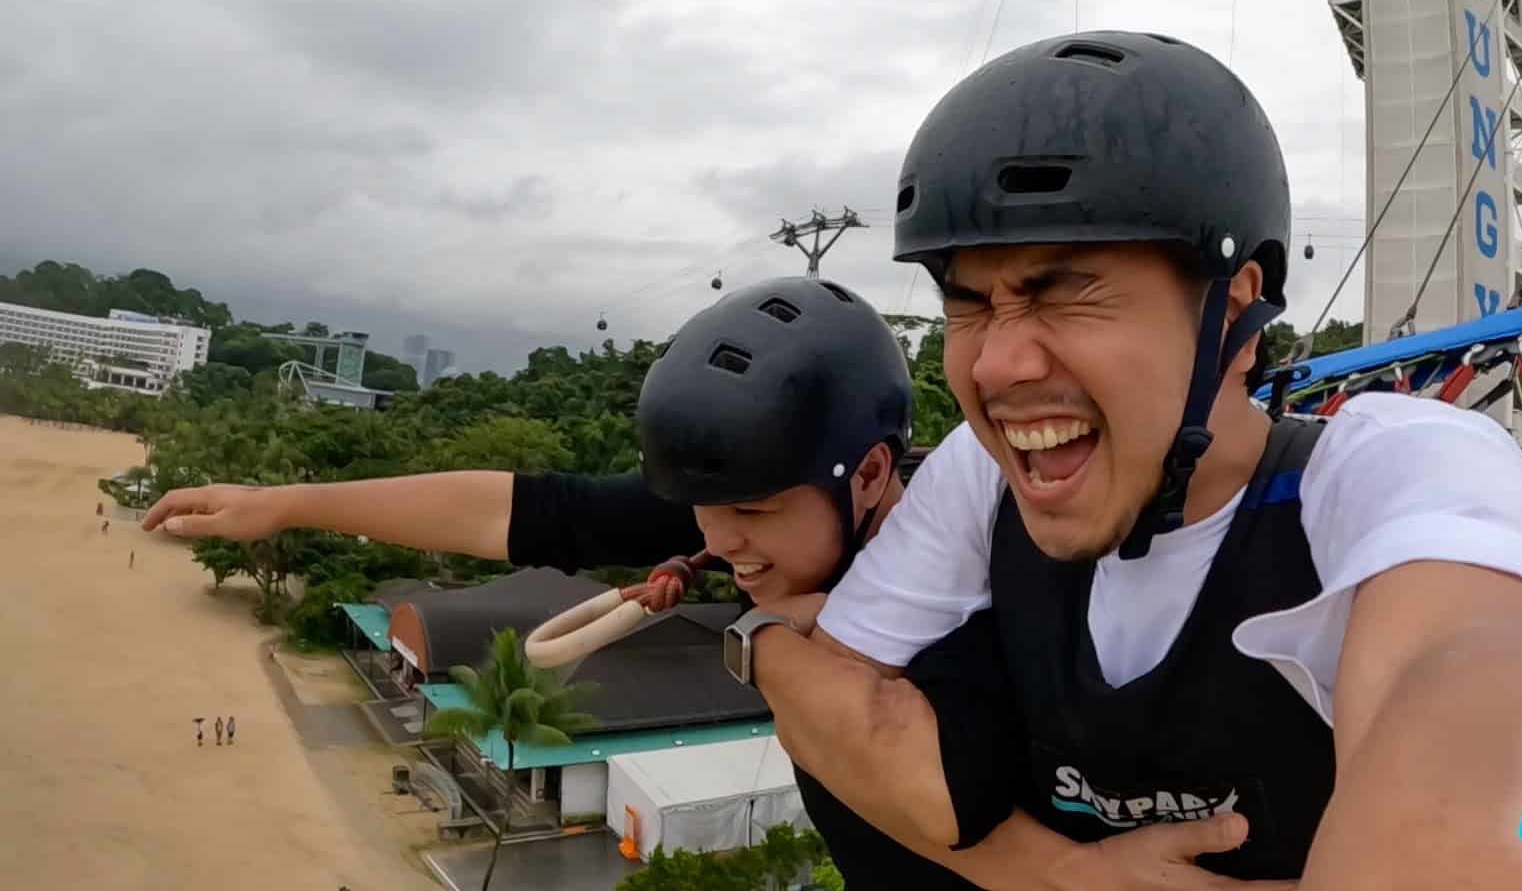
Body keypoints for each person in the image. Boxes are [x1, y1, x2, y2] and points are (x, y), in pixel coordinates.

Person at [723, 31, 1522, 889]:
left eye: (1066, 291)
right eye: (969, 303)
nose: (997, 361)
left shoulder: (1397, 472)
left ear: (1233, 304)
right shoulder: (985, 484)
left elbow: (1476, 699)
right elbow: (835, 697)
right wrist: (1062, 877)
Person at [142, 276, 1208, 889]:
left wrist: (782, 633)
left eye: (749, 516)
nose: (723, 539)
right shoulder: (761, 502)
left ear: (875, 474)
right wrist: (285, 503)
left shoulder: (977, 559)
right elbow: (523, 510)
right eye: (705, 514)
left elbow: (955, 811)